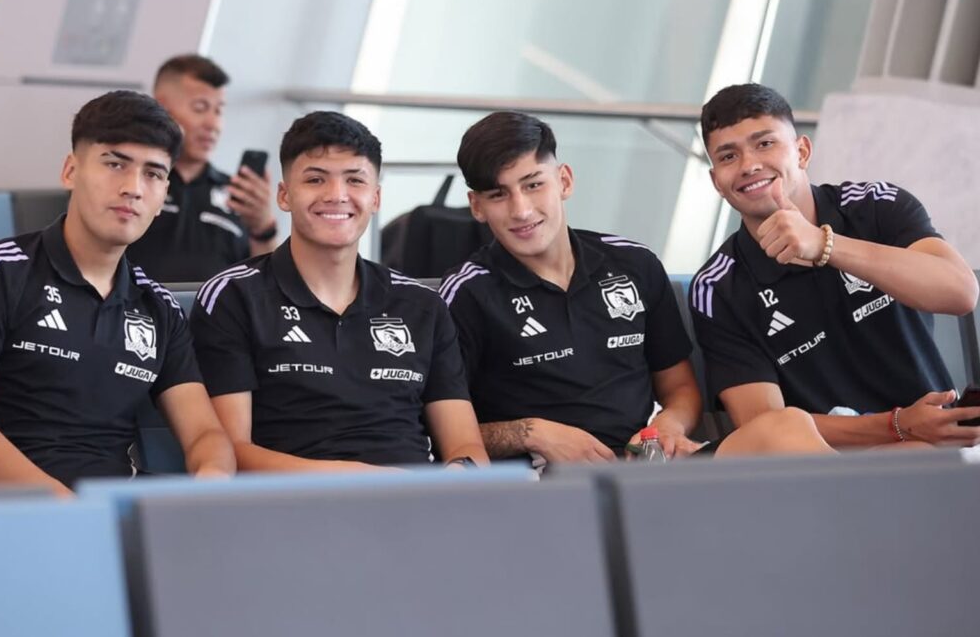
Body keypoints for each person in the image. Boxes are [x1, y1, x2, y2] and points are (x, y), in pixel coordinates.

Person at [441, 111, 831, 464]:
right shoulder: (466, 295)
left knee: (788, 428)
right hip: (544, 480)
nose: (521, 210)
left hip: (643, 463)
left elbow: (680, 388)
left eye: (533, 185)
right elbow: (442, 434)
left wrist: (668, 427)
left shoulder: (632, 263)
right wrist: (537, 434)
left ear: (563, 180)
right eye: (499, 195)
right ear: (477, 206)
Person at [0, 91, 236, 494]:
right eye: (115, 164)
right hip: (11, 508)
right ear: (71, 171)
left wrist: (209, 481)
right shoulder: (1, 271)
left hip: (118, 504)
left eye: (153, 174)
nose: (133, 188)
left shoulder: (158, 307)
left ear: (162, 197)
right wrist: (68, 509)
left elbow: (204, 434)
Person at [189, 111, 489, 471]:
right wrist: (356, 479)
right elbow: (232, 452)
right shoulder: (234, 296)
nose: (336, 195)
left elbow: (466, 445)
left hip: (415, 506)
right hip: (297, 510)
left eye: (355, 180)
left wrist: (458, 475)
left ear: (376, 198)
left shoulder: (421, 305)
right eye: (316, 179)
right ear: (284, 195)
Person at [691, 82, 980, 448]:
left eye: (765, 144)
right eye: (728, 156)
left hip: (937, 447)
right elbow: (764, 427)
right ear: (717, 181)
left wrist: (825, 245)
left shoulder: (876, 205)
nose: (749, 165)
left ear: (802, 151)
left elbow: (960, 292)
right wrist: (898, 425)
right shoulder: (718, 287)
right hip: (828, 462)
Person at [127, 54, 277, 282]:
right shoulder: (132, 181)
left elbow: (268, 287)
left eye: (218, 111)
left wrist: (263, 228)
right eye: (200, 108)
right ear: (162, 108)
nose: (213, 124)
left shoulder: (236, 195)